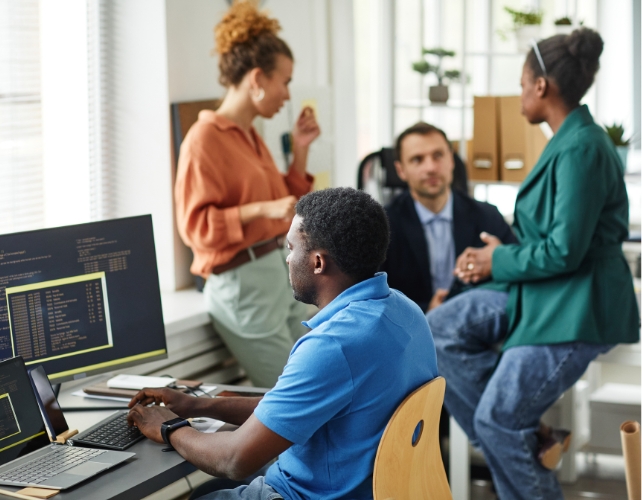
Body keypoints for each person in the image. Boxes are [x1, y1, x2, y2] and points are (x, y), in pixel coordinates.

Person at [427, 28, 640, 500]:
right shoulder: (569, 141)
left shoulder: (582, 147)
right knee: (436, 329)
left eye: (522, 82)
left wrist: (497, 259)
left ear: (541, 86)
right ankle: (523, 436)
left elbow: (565, 250)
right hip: (548, 290)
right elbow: (555, 237)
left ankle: (511, 432)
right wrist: (495, 253)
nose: (519, 92)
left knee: (497, 421)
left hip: (576, 304)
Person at [128, 188, 439, 500]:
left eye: (291, 248)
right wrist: (198, 405)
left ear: (318, 262)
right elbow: (296, 409)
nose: (287, 259)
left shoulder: (332, 345)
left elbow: (233, 460)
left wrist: (169, 428)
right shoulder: (406, 312)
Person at [174, 2, 320, 387]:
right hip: (242, 284)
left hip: (276, 272)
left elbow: (282, 207)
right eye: (284, 81)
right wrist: (260, 208)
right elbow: (196, 229)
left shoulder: (252, 135)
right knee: (288, 396)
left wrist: (301, 148)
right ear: (257, 78)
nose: (287, 94)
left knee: (320, 379)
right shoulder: (204, 139)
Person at [381, 122, 516, 312]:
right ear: (401, 170)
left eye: (438, 156)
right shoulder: (383, 226)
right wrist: (426, 310)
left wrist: (501, 257)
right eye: (417, 160)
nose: (431, 168)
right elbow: (373, 296)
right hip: (410, 328)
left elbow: (517, 276)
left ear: (451, 160)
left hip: (476, 325)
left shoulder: (487, 216)